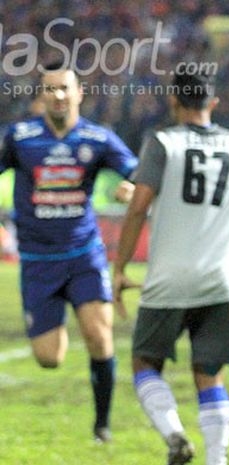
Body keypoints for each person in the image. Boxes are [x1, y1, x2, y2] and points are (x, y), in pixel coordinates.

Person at [112, 69, 229, 465]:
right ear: (213, 104)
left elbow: (139, 205)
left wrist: (120, 267)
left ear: (174, 102)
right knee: (209, 374)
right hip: (219, 280)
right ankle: (217, 460)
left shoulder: (162, 142)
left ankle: (175, 435)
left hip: (167, 281)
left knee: (145, 362)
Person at [0, 64, 137, 442]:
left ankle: (102, 426)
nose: (59, 96)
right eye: (51, 90)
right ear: (41, 96)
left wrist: (129, 187)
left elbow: (138, 173)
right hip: (37, 260)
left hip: (83, 255)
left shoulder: (98, 137)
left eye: (65, 89)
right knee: (49, 358)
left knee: (99, 336)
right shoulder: (19, 138)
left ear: (79, 93)